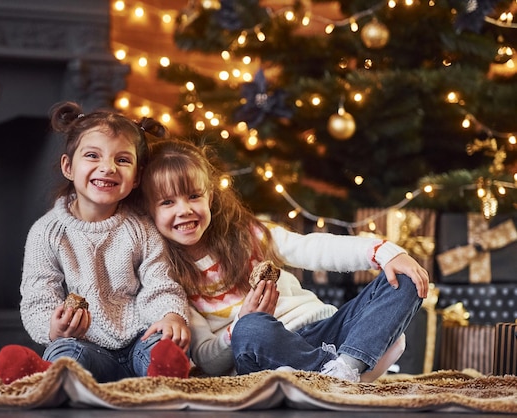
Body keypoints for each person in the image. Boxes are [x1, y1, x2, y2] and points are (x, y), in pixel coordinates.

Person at [140, 137, 430, 382]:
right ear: (148, 211)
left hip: (323, 330)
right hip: (264, 349)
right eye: (168, 202)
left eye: (193, 196)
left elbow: (314, 249)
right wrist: (241, 322)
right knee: (252, 329)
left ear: (211, 196)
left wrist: (382, 252)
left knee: (404, 279)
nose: (184, 210)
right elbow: (207, 361)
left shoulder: (247, 233)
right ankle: (354, 362)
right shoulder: (172, 277)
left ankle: (344, 369)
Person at [19, 102, 190, 383]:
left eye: (122, 160)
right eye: (92, 156)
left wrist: (170, 316)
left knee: (162, 348)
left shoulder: (142, 229)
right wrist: (54, 327)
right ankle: (50, 378)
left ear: (136, 177)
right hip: (84, 344)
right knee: (64, 353)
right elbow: (38, 297)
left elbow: (160, 284)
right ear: (68, 166)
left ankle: (164, 376)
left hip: (138, 339)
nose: (108, 168)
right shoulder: (46, 232)